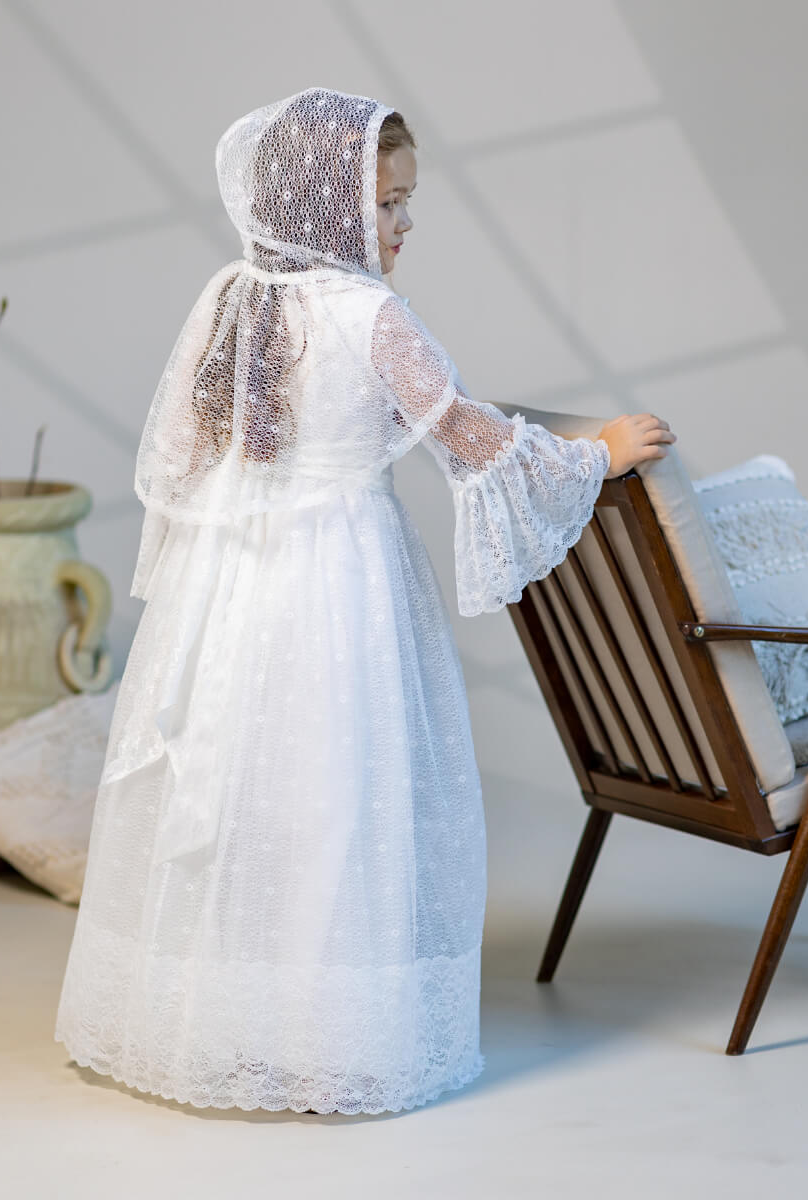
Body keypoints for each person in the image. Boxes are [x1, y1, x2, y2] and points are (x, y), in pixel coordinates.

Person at [54, 85, 675, 1116]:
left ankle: (230, 1020)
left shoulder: (228, 298)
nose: (403, 225)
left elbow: (185, 455)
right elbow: (470, 439)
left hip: (235, 585)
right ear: (320, 205)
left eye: (405, 202)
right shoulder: (368, 315)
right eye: (385, 204)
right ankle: (327, 1039)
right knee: (335, 792)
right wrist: (595, 452)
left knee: (249, 790)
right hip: (333, 584)